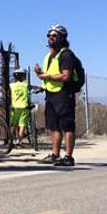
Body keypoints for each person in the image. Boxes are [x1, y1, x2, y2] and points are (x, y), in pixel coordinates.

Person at [33, 24, 76, 167]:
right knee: (53, 126)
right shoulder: (49, 56)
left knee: (67, 125)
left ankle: (68, 157)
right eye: (49, 35)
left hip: (64, 93)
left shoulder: (66, 55)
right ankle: (55, 154)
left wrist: (47, 76)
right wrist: (41, 75)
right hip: (50, 94)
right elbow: (48, 75)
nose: (50, 38)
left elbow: (66, 76)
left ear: (62, 38)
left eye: (54, 35)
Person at [9, 68, 30, 147]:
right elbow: (33, 88)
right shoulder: (25, 85)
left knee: (13, 125)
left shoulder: (11, 85)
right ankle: (19, 142)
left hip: (14, 107)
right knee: (22, 125)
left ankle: (10, 141)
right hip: (24, 107)